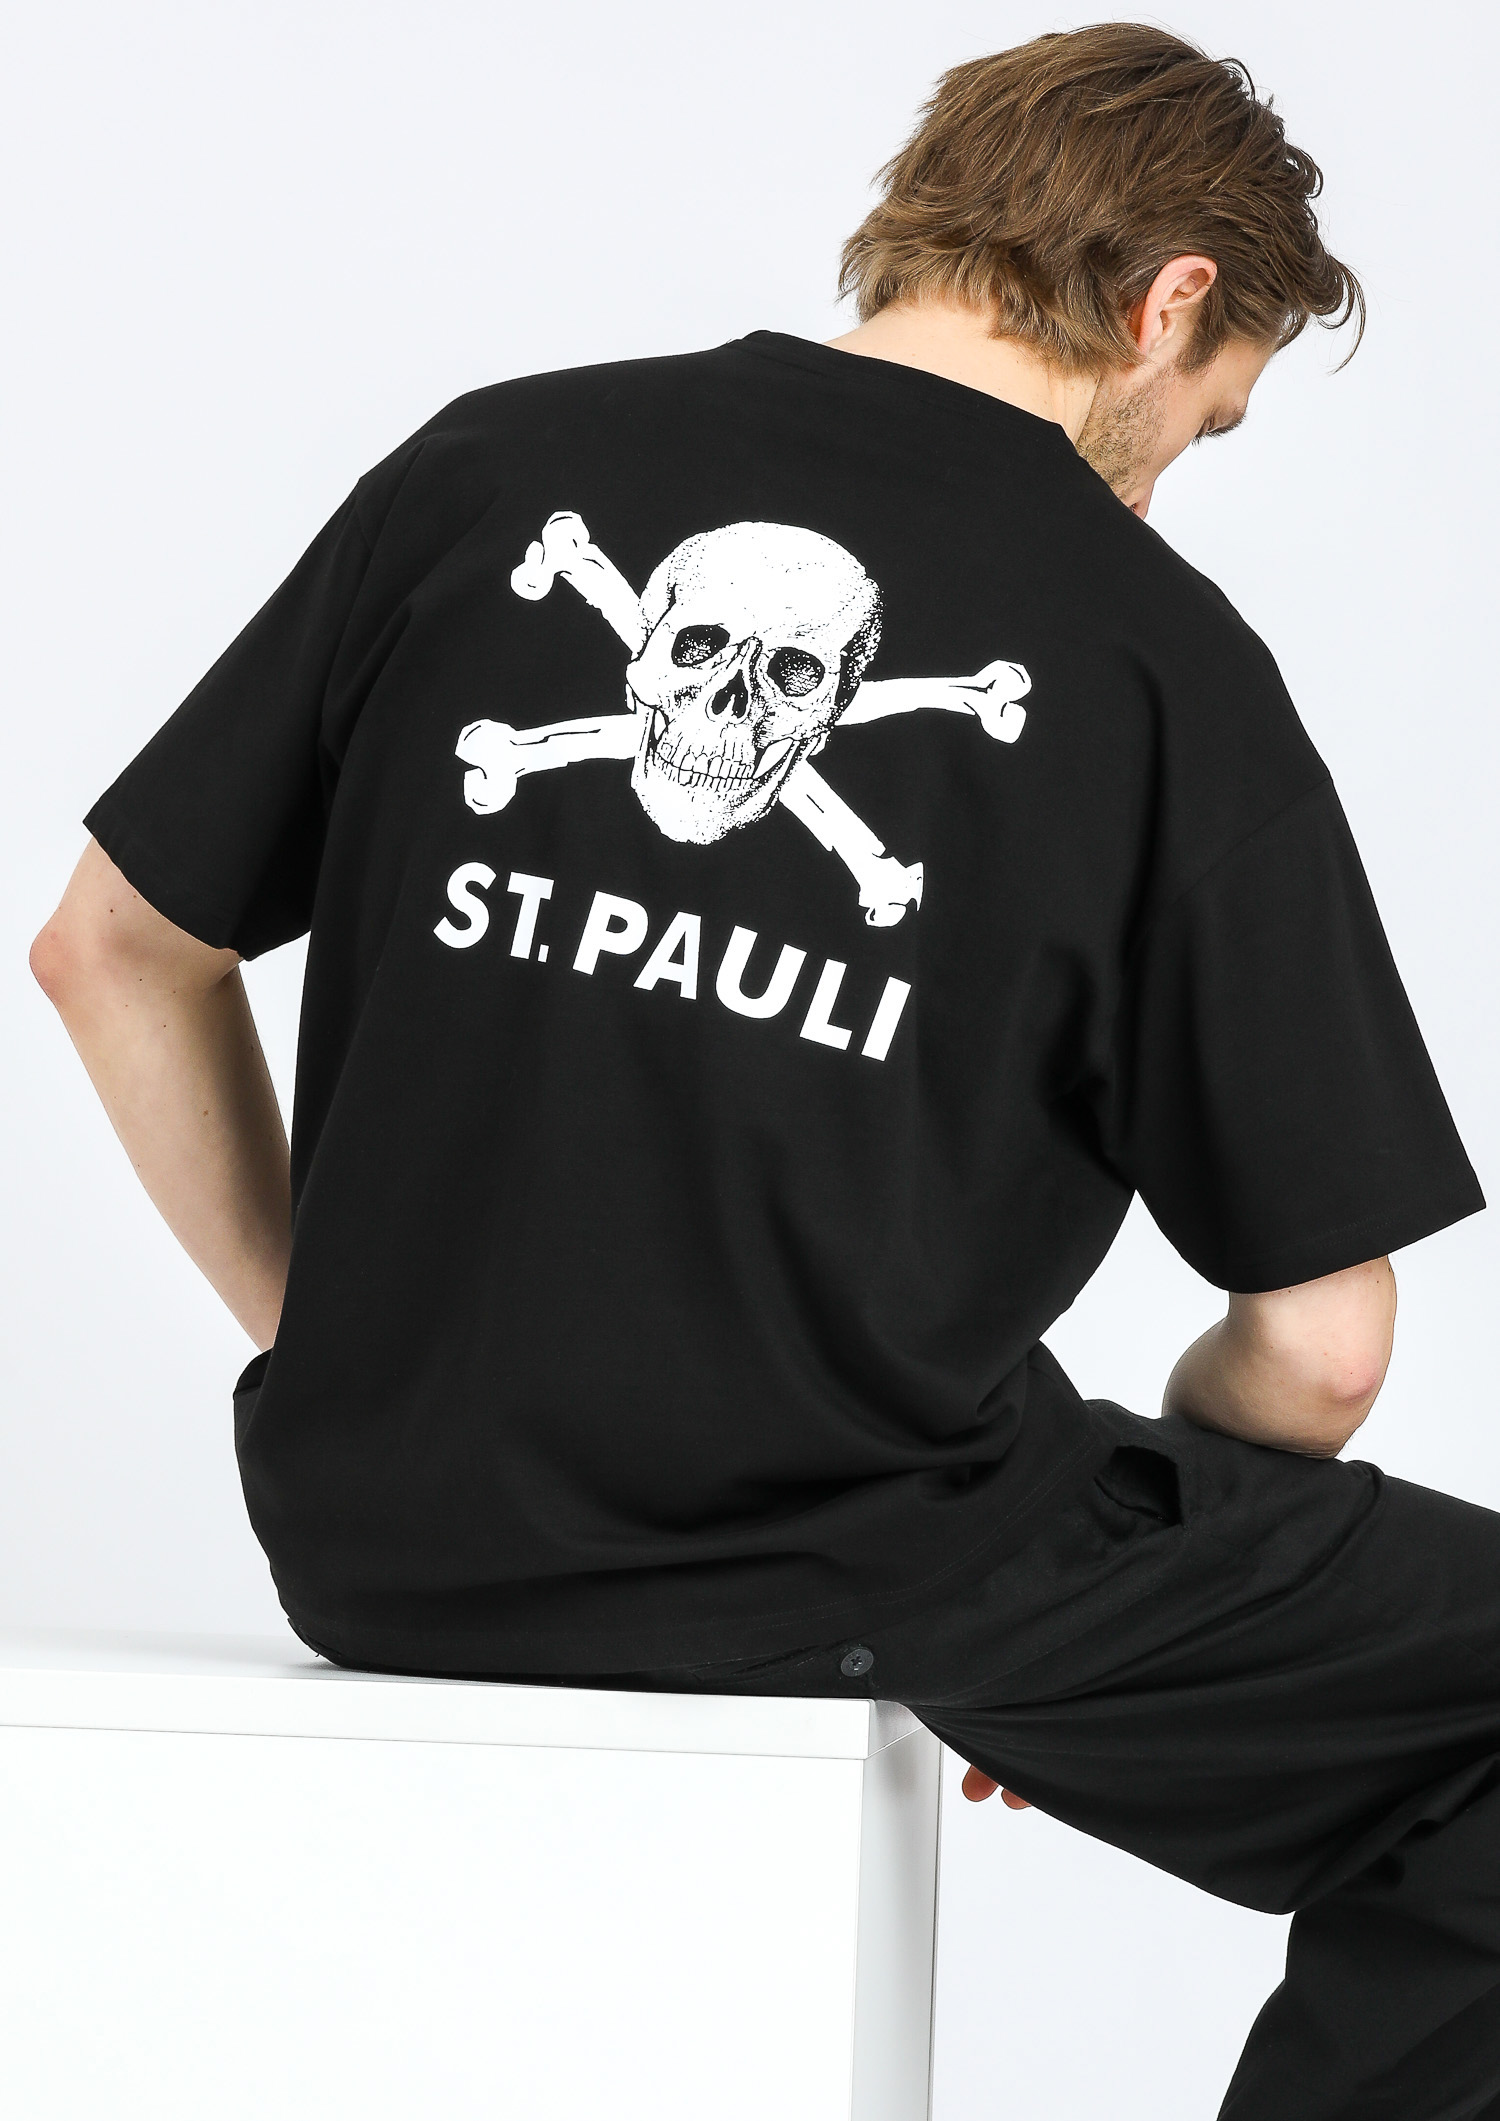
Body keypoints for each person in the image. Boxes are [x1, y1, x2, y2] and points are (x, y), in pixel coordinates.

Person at [29, 22, 1492, 2117]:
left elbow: (106, 949)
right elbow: (1328, 1348)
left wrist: (343, 1339)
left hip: (379, 1536)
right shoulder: (1156, 656)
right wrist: (1146, 1570)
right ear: (1170, 303)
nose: (1167, 478)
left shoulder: (484, 468)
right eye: (1207, 421)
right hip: (855, 1559)